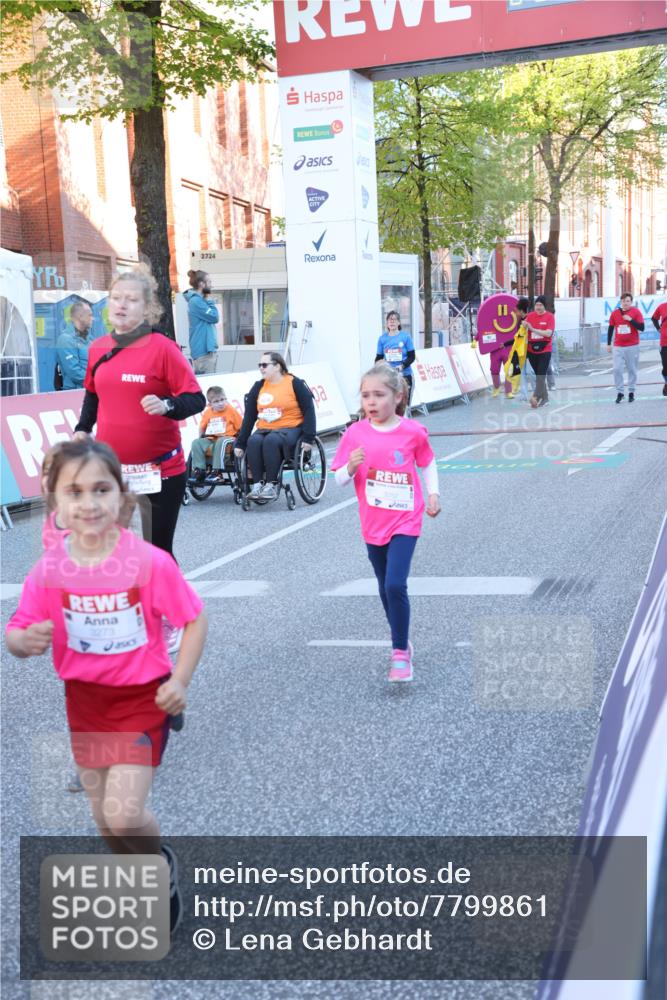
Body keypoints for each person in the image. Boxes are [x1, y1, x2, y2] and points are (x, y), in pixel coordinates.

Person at [6, 439, 207, 934]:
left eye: (101, 489)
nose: (89, 503)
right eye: (74, 492)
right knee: (105, 824)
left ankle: (159, 867)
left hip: (142, 699)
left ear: (121, 495)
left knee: (124, 815)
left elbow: (194, 620)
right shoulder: (50, 569)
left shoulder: (148, 562)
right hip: (86, 702)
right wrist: (22, 640)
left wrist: (180, 680)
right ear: (55, 503)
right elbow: (17, 629)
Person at [74, 265, 205, 562]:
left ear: (147, 308)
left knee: (157, 554)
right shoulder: (98, 348)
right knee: (112, 553)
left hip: (160, 471)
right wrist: (82, 427)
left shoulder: (163, 348)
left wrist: (167, 405)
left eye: (131, 299)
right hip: (112, 470)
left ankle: (169, 594)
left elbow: (195, 399)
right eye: (116, 298)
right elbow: (93, 393)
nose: (121, 304)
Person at [331, 363, 440, 683]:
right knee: (383, 585)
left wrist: (433, 494)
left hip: (406, 518)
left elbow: (427, 462)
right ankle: (401, 636)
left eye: (379, 395)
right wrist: (350, 468)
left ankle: (400, 652)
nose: (371, 401)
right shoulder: (355, 434)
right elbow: (338, 480)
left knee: (395, 583)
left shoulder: (412, 431)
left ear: (398, 397)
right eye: (366, 396)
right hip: (373, 522)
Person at [234, 351, 316, 503]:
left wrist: (308, 437)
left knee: (271, 440)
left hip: (290, 427)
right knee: (253, 441)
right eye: (260, 365)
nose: (261, 368)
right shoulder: (259, 386)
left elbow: (309, 409)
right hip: (265, 428)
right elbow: (249, 417)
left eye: (265, 365)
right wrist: (241, 443)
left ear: (277, 366)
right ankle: (257, 485)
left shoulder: (294, 383)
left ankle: (271, 484)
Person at [190, 385, 243, 482]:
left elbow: (241, 427)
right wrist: (201, 439)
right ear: (210, 404)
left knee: (221, 441)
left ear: (226, 399)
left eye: (222, 400)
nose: (220, 403)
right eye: (216, 401)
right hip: (212, 439)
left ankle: (217, 472)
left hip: (228, 439)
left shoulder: (231, 410)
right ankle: (200, 470)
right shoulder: (208, 413)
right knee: (196, 443)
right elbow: (202, 428)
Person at [608, 292, 644, 403]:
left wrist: (630, 320)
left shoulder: (636, 312)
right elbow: (611, 328)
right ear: (621, 302)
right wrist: (608, 344)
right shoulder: (615, 313)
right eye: (623, 301)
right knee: (617, 369)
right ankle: (620, 392)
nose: (625, 303)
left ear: (631, 302)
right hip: (618, 346)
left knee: (632, 369)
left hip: (632, 346)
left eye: (628, 301)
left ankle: (631, 392)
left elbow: (642, 328)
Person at [375, 311, 416, 404]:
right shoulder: (382, 339)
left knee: (404, 406)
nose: (392, 322)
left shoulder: (406, 337)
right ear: (387, 323)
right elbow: (378, 359)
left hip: (405, 375)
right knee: (390, 405)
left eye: (394, 319)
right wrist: (381, 368)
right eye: (390, 320)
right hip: (389, 377)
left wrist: (402, 366)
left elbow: (412, 356)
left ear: (399, 323)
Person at [184, 270, 219, 374]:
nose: (211, 285)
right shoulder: (196, 301)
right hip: (203, 353)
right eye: (209, 282)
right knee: (209, 383)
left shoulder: (199, 301)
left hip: (206, 352)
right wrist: (209, 300)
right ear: (201, 284)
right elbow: (215, 317)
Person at [525, 296, 555, 408]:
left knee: (541, 375)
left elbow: (548, 333)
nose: (538, 307)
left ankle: (535, 397)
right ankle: (545, 399)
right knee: (539, 375)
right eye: (536, 305)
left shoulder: (550, 317)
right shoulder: (530, 316)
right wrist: (524, 326)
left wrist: (533, 329)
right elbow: (524, 330)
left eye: (540, 305)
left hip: (545, 349)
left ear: (544, 306)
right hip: (531, 350)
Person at [56, 301, 94, 390]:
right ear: (80, 317)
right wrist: (96, 380)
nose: (92, 318)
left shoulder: (90, 340)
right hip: (75, 393)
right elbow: (74, 372)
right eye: (90, 315)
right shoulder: (65, 339)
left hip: (89, 390)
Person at [505, 297, 530, 398]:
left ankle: (536, 394)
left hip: (528, 350)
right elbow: (517, 337)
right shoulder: (521, 321)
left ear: (521, 310)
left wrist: (506, 344)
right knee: (523, 373)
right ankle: (525, 395)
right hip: (522, 351)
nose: (515, 313)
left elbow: (518, 337)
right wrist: (506, 343)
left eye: (516, 311)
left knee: (529, 373)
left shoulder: (528, 320)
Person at [651, 299, 667, 396]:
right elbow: (654, 318)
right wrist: (658, 328)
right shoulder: (662, 306)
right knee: (665, 368)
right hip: (665, 343)